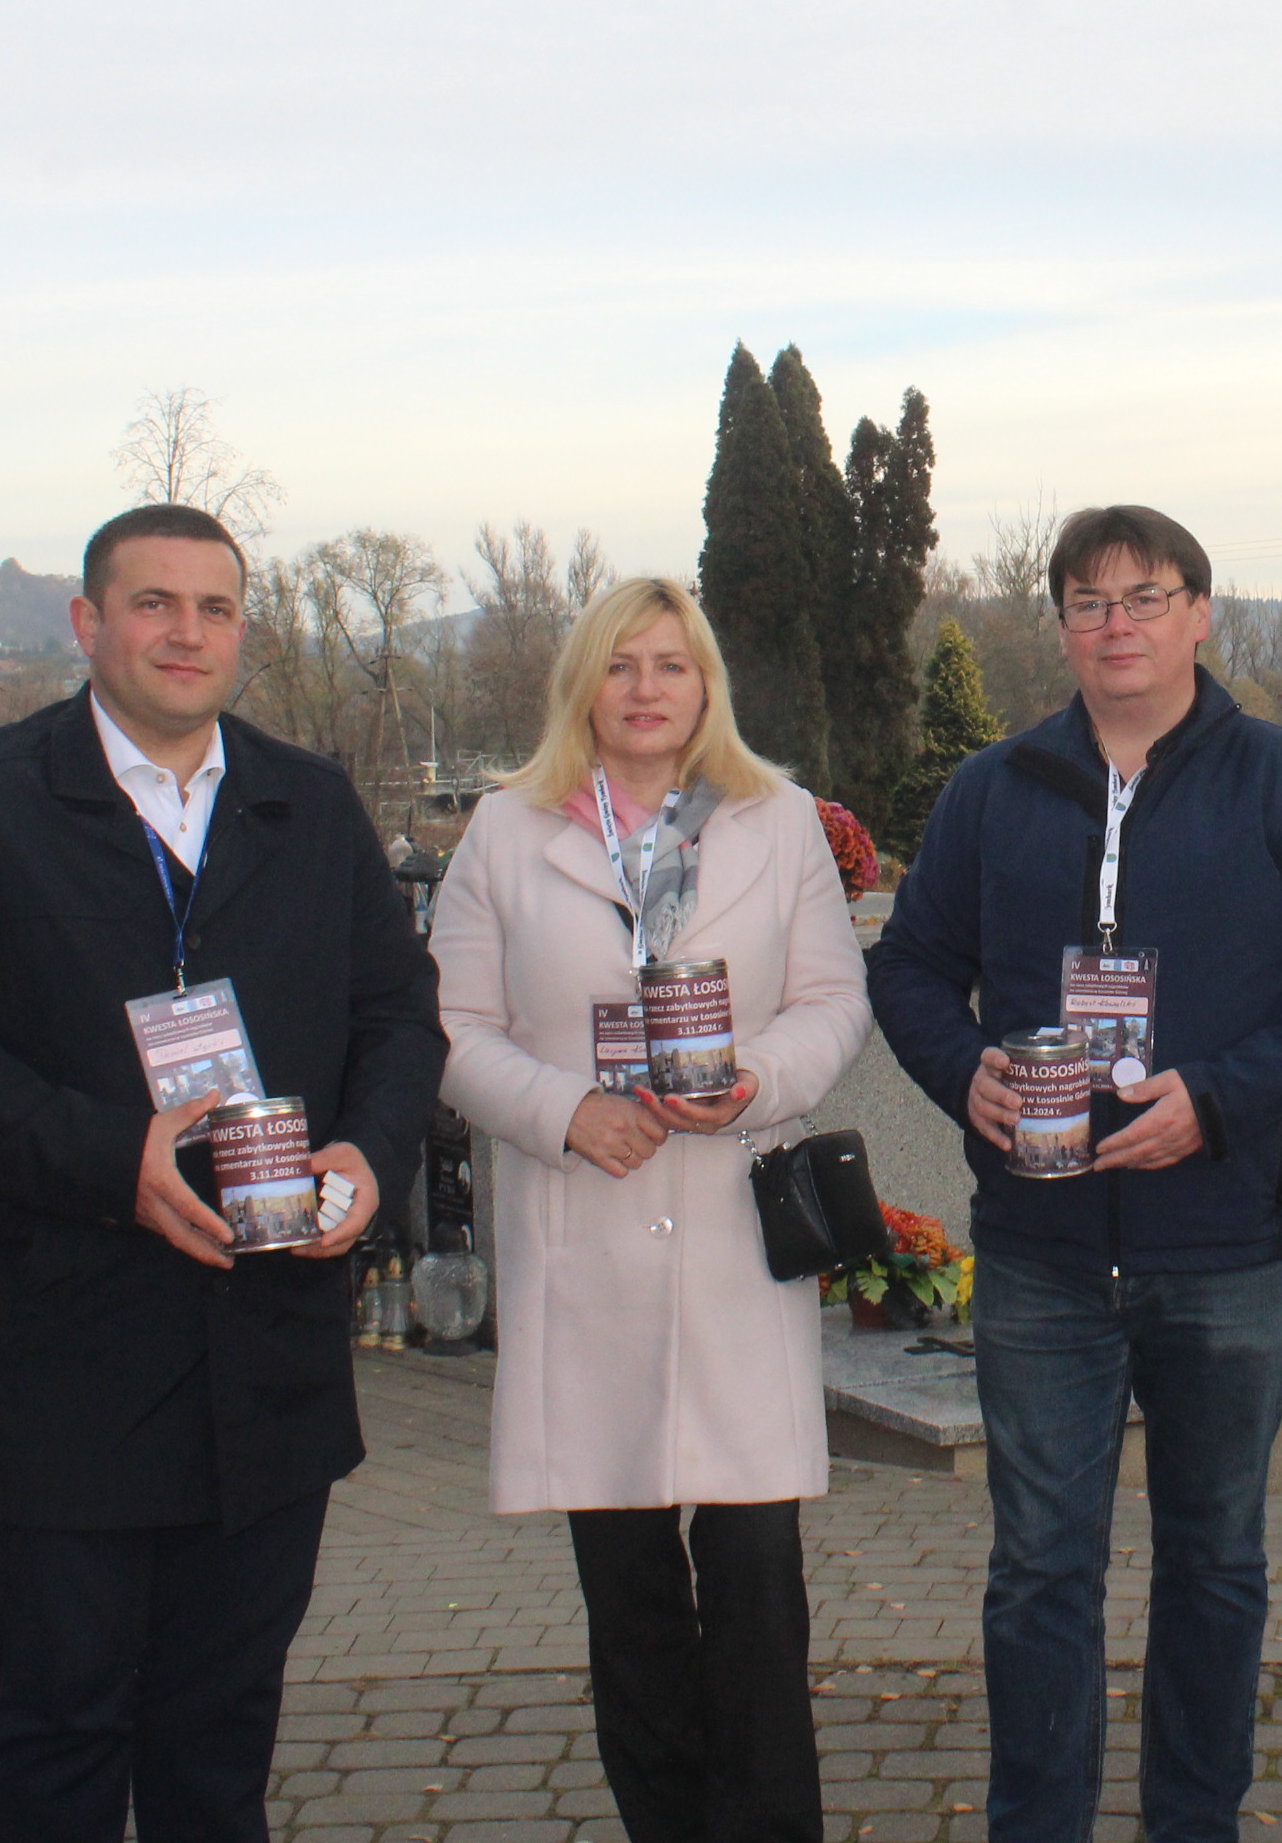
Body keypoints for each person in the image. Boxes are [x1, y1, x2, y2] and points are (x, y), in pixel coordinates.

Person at [0, 503, 444, 1843]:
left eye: (214, 608)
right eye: (154, 604)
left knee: (220, 1737)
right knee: (63, 1729)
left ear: (243, 631)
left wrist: (366, 1151)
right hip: (60, 1357)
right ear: (88, 624)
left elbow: (399, 1015)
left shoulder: (310, 803)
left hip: (266, 1356)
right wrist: (112, 1158)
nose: (187, 633)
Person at [868, 504, 1282, 1843]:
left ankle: (1194, 1823)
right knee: (1038, 1573)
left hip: (1225, 1246)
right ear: (1062, 626)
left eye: (1145, 596)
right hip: (1041, 1252)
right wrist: (961, 1071)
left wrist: (1223, 1099)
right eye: (1088, 600)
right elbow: (908, 967)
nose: (1115, 623)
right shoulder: (992, 791)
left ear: (1200, 615)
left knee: (1216, 1565)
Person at [427, 575, 871, 1843]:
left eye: (671, 665)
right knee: (628, 1604)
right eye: (620, 665)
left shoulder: (775, 821)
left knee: (757, 1588)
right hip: (589, 1232)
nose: (645, 689)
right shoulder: (507, 833)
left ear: (705, 685)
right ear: (583, 683)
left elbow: (834, 1000)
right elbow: (450, 1028)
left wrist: (758, 1081)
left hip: (732, 1233)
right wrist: (563, 1109)